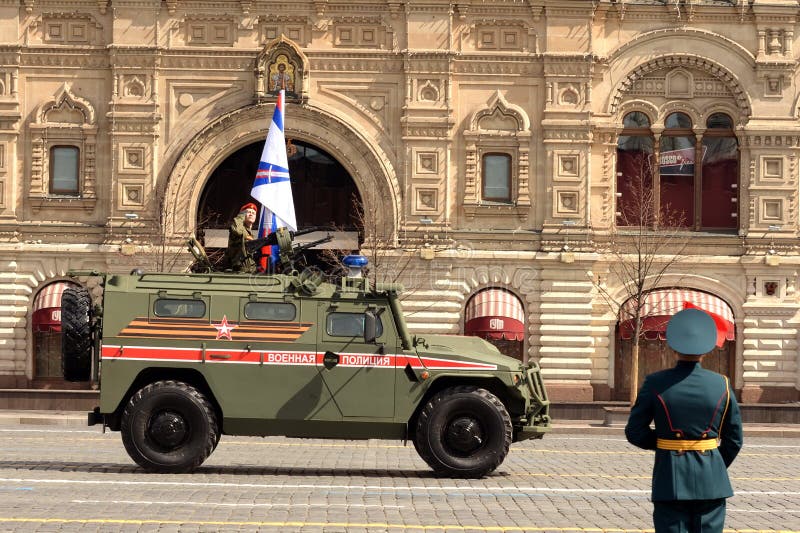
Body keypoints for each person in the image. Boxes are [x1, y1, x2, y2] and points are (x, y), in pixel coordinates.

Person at [625, 308, 743, 533]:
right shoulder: (723, 384)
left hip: (670, 477)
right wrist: (713, 462)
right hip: (712, 480)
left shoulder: (655, 382)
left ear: (672, 346)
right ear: (707, 349)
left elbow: (635, 432)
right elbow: (734, 439)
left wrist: (666, 445)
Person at [221, 203, 257, 273]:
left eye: (253, 213)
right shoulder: (238, 227)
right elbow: (238, 231)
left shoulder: (249, 232)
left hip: (249, 271)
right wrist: (241, 216)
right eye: (248, 212)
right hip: (238, 270)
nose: (251, 214)